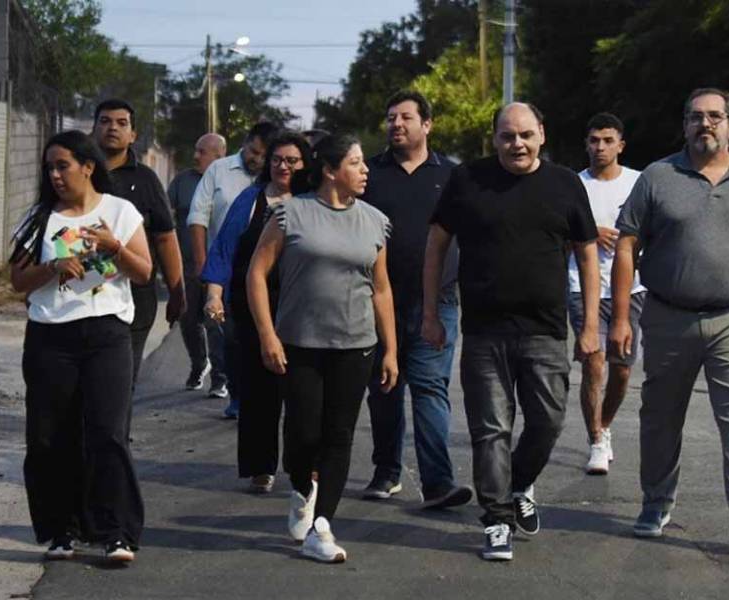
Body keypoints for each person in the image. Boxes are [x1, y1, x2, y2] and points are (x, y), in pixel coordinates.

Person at [423, 103, 600, 561]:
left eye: (525, 135)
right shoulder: (468, 180)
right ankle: (497, 519)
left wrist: (591, 325)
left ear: (541, 134)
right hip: (484, 331)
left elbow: (586, 253)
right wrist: (430, 312)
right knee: (490, 430)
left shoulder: (564, 184)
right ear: (495, 138)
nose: (516, 144)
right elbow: (437, 242)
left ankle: (519, 482)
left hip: (545, 330)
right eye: (507, 136)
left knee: (548, 421)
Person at [609, 87, 729, 553]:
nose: (704, 124)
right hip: (668, 315)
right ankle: (656, 503)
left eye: (714, 117)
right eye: (695, 117)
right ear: (684, 124)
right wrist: (621, 317)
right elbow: (626, 242)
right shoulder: (657, 176)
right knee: (660, 417)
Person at [247, 134, 399, 563]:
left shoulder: (375, 221)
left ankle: (322, 527)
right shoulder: (290, 214)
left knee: (338, 435)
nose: (365, 169)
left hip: (356, 345)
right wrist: (267, 334)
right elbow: (256, 275)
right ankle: (301, 488)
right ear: (331, 170)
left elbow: (382, 289)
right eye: (356, 162)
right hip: (299, 344)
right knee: (302, 433)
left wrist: (391, 349)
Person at [10, 130, 152, 564]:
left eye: (63, 165)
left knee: (108, 432)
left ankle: (117, 533)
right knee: (50, 437)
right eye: (49, 167)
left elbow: (144, 272)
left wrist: (114, 247)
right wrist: (52, 266)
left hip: (107, 333)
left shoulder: (120, 211)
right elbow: (17, 281)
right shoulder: (39, 219)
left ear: (87, 167)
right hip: (51, 336)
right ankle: (60, 530)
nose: (54, 175)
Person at [361, 90, 473, 508]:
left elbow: (471, 232)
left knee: (429, 388)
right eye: (390, 118)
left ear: (427, 124)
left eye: (406, 117)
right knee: (385, 387)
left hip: (437, 301)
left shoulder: (452, 175)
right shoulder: (370, 174)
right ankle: (386, 471)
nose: (396, 124)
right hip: (376, 300)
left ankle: (438, 483)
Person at [202, 130, 312, 493]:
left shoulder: (314, 203)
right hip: (251, 306)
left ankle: (304, 467)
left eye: (292, 161)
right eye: (277, 159)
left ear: (305, 164)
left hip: (303, 310)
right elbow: (224, 250)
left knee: (301, 393)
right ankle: (260, 466)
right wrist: (214, 296)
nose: (283, 167)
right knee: (257, 392)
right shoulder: (250, 200)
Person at [567, 113, 644, 475]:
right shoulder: (572, 185)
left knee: (623, 370)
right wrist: (589, 232)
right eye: (594, 140)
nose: (600, 147)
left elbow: (657, 227)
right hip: (582, 285)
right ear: (586, 143)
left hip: (631, 288)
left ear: (620, 145)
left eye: (608, 140)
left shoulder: (638, 182)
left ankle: (606, 424)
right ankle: (596, 439)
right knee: (593, 363)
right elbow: (552, 231)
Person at [92, 99, 186, 387]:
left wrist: (177, 291)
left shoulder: (145, 180)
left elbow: (165, 237)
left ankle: (117, 433)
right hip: (83, 293)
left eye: (122, 123)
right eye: (105, 121)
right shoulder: (77, 173)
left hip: (135, 298)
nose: (113, 128)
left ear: (133, 135)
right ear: (93, 128)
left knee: (120, 381)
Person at [188, 121, 279, 416]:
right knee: (232, 336)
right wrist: (206, 270)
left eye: (264, 155)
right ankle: (237, 393)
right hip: (228, 272)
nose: (257, 159)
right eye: (253, 151)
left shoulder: (287, 189)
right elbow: (199, 218)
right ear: (246, 143)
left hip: (275, 277)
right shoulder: (221, 173)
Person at [168, 133, 227, 390]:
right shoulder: (183, 181)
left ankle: (220, 378)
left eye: (202, 151)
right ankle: (198, 363)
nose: (195, 156)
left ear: (219, 156)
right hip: (187, 266)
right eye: (196, 149)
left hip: (219, 267)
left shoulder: (229, 183)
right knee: (188, 319)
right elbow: (164, 219)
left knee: (215, 322)